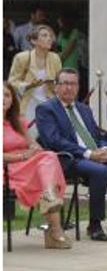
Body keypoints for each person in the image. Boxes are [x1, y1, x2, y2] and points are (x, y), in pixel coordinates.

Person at [35, 69, 107, 240]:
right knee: (100, 171)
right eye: (64, 83)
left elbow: (99, 135)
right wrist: (88, 154)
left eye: (72, 84)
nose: (68, 88)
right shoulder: (46, 109)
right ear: (55, 87)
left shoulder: (84, 109)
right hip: (69, 159)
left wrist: (105, 149)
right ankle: (94, 224)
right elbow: (54, 141)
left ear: (78, 87)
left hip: (96, 156)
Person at [3, 82, 71, 248]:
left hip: (26, 167)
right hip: (7, 169)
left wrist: (33, 149)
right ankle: (55, 231)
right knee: (47, 166)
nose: (3, 98)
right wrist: (21, 156)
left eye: (7, 95)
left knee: (48, 156)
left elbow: (35, 145)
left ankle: (49, 196)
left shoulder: (18, 121)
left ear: (12, 100)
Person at [8, 24, 61, 124]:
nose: (49, 38)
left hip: (49, 104)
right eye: (44, 36)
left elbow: (60, 83)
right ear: (33, 41)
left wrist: (53, 83)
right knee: (29, 135)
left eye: (50, 36)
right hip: (28, 105)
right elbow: (12, 82)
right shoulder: (22, 58)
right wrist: (28, 85)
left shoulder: (55, 58)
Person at [56, 12, 83, 83]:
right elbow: (58, 48)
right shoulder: (61, 34)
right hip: (62, 65)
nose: (58, 23)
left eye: (60, 21)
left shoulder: (74, 32)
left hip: (71, 64)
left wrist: (59, 58)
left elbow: (69, 49)